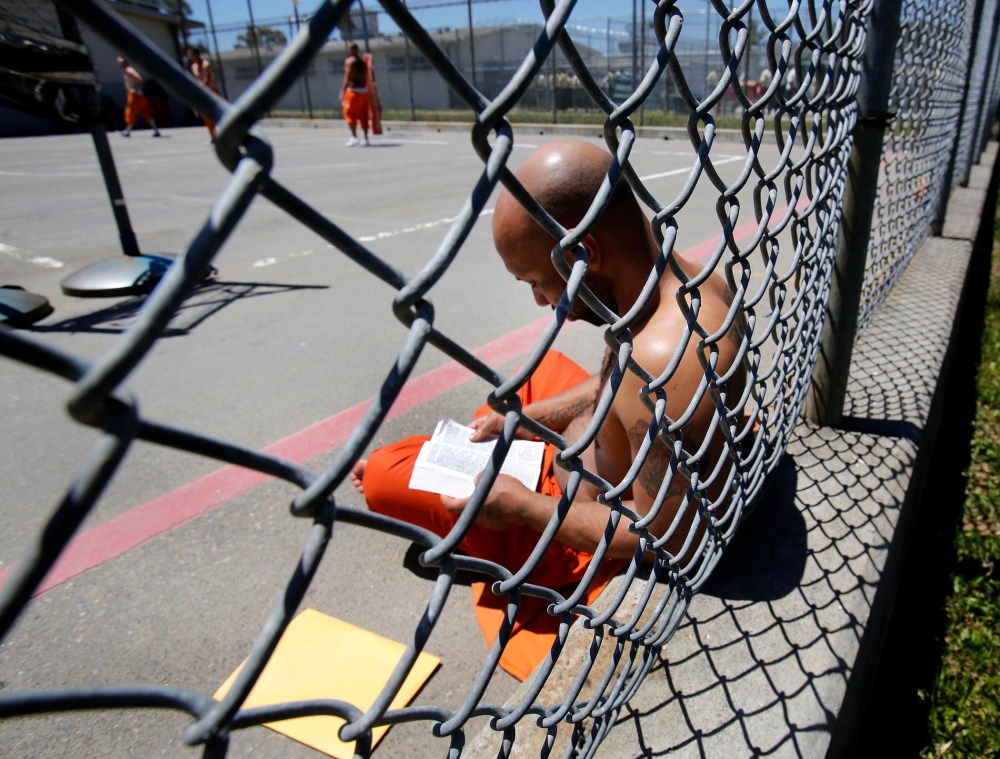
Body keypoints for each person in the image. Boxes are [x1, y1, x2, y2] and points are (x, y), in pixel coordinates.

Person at [351, 140, 745, 679]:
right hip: (598, 445)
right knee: (514, 394)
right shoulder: (685, 275)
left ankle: (508, 510)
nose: (540, 301)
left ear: (587, 254)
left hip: (578, 512)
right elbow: (614, 385)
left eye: (538, 282)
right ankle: (515, 446)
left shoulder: (663, 364)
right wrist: (531, 418)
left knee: (380, 474)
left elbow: (665, 538)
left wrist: (525, 508)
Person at [116, 56, 160, 137]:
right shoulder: (127, 71)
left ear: (125, 62)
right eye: (119, 63)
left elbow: (139, 79)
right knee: (145, 112)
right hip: (139, 95)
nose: (120, 64)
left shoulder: (129, 70)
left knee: (130, 112)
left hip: (135, 95)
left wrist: (134, 89)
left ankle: (127, 131)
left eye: (121, 62)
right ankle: (156, 130)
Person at [186, 46, 221, 142]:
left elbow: (207, 79)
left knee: (220, 115)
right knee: (205, 116)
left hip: (212, 92)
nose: (190, 58)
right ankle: (214, 136)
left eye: (192, 55)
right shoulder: (193, 67)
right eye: (189, 56)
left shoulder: (206, 65)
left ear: (197, 55)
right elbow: (197, 80)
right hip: (202, 93)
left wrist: (200, 87)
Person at [339, 43, 370, 147]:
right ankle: (366, 139)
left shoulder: (349, 61)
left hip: (353, 91)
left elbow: (347, 78)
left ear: (350, 50)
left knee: (349, 113)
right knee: (363, 114)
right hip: (363, 91)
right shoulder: (363, 62)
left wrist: (342, 92)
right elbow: (366, 77)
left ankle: (354, 136)